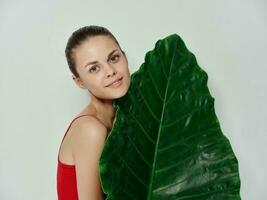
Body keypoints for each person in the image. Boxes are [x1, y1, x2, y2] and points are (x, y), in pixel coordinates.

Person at [57, 25, 131, 200]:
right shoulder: (90, 129)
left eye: (114, 58)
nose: (110, 72)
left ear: (125, 56)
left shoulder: (126, 119)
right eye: (94, 68)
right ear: (79, 81)